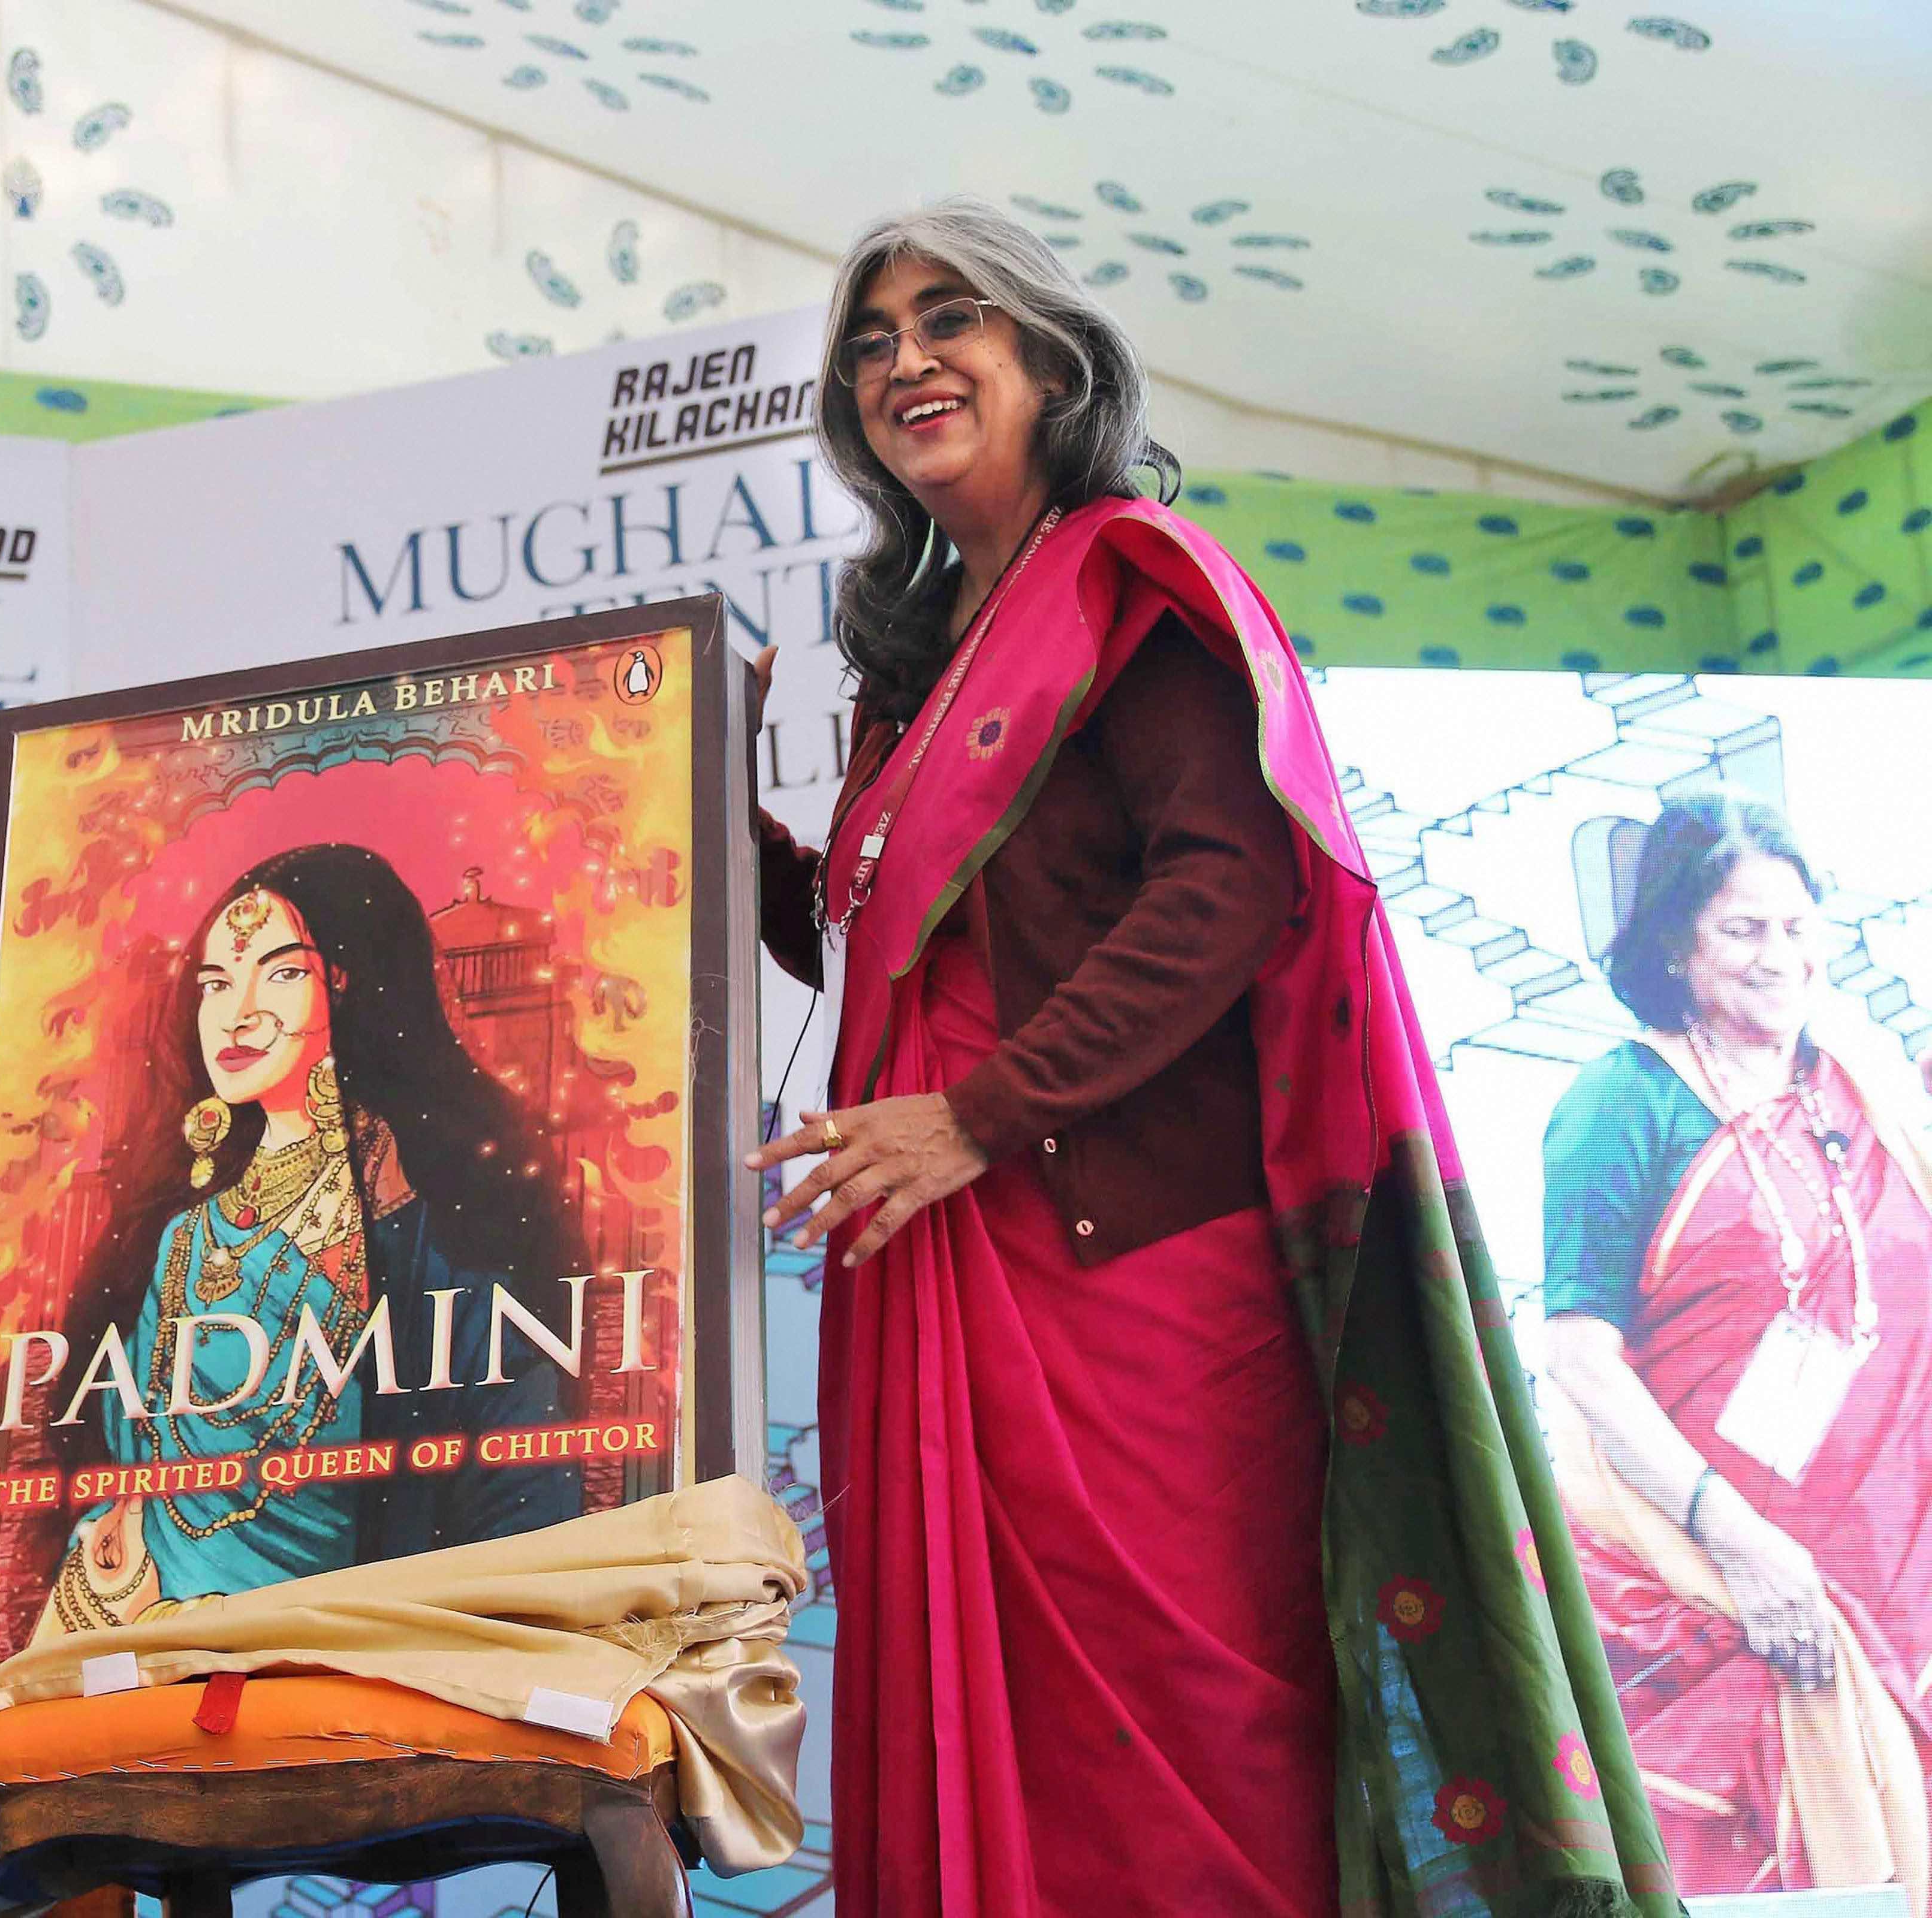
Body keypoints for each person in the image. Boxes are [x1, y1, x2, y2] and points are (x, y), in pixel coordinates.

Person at [746, 198, 1674, 1916]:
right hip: (940, 1275)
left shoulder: (1129, 588)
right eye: (869, 342)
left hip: (1124, 1286)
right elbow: (909, 954)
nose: (903, 361)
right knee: (987, 1748)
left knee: (1184, 1758)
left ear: (1052, 362)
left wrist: (980, 1117)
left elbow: (1230, 885)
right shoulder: (921, 655)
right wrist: (717, 841)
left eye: (951, 321)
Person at [30, 843, 583, 1638]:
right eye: (216, 982)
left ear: (354, 983)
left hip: (316, 1664)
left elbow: (516, 1489)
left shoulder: (420, 1227)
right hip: (107, 1616)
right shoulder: (178, 1225)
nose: (238, 1010)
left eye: (280, 973)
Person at [1544, 794, 1931, 1903]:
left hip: (1903, 1575)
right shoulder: (1620, 1105)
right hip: (1720, 1586)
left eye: (1801, 926)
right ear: (1673, 942)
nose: (1782, 958)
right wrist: (1746, 1547)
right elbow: (1578, 1358)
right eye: (1742, 930)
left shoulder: (1860, 1082)